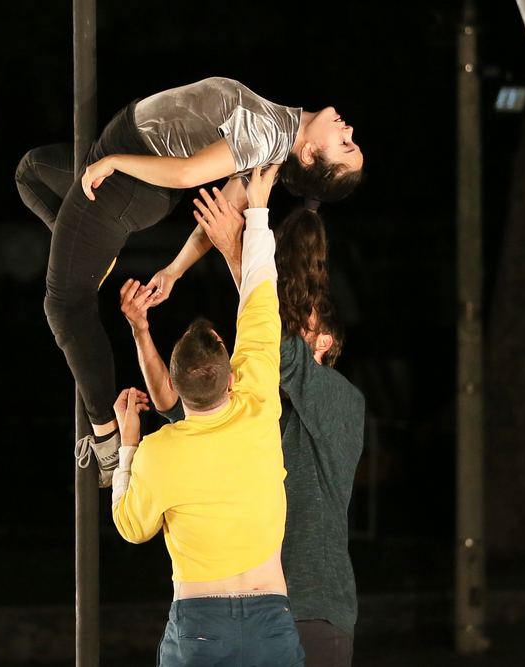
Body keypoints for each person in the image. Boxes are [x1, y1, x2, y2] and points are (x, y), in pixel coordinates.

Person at [15, 77, 363, 484]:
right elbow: (216, 215)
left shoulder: (268, 135)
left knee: (64, 305)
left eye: (345, 145)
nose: (349, 130)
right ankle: (89, 251)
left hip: (126, 180)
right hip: (126, 155)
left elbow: (186, 174)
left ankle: (105, 438)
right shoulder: (273, 147)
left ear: (309, 153)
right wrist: (173, 271)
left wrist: (117, 163)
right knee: (31, 172)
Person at [119, 195, 365, 666]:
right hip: (251, 608)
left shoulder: (342, 402)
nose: (283, 324)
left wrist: (238, 252)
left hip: (312, 610)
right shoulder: (250, 411)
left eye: (300, 323)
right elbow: (179, 406)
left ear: (326, 342)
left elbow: (273, 341)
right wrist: (141, 332)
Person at [110, 165, 304, 666]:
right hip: (269, 617)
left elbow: (131, 526)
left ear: (175, 388)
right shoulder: (257, 403)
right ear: (231, 376)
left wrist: (128, 444)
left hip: (200, 626)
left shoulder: (159, 452)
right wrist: (257, 211)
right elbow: (260, 297)